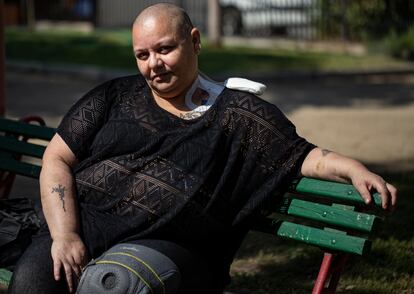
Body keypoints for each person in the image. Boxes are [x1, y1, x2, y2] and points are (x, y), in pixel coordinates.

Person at [8, 3, 397, 294]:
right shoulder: (113, 97)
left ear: (194, 41)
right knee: (32, 280)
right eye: (142, 55)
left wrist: (353, 169)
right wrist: (65, 235)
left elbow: (303, 156)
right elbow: (57, 157)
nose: (153, 65)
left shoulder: (240, 115)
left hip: (168, 246)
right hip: (82, 226)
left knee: (113, 284)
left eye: (164, 49)